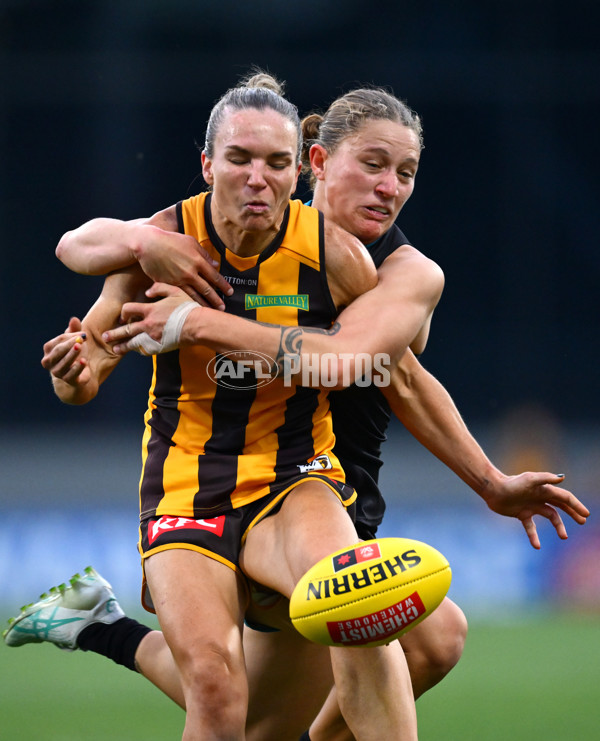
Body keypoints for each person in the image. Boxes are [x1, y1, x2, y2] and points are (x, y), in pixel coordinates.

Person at [6, 81, 589, 741]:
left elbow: (385, 369)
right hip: (188, 487)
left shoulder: (370, 266)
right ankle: (100, 625)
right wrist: (84, 356)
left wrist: (491, 482)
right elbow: (83, 304)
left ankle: (96, 623)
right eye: (372, 165)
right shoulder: (168, 240)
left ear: (293, 166)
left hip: (300, 482)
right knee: (223, 694)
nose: (389, 187)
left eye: (405, 173)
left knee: (384, 626)